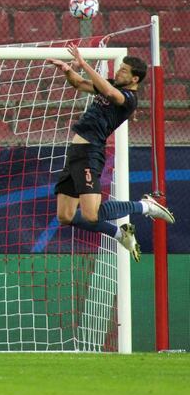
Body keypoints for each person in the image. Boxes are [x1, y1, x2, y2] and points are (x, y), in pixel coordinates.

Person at [48, 46, 174, 262]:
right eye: (119, 69)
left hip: (90, 152)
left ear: (135, 78)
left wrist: (84, 62)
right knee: (65, 216)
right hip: (76, 153)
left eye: (124, 71)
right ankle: (119, 233)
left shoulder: (128, 98)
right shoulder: (113, 86)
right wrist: (68, 69)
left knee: (91, 214)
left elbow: (108, 92)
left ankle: (145, 206)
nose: (118, 72)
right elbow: (79, 83)